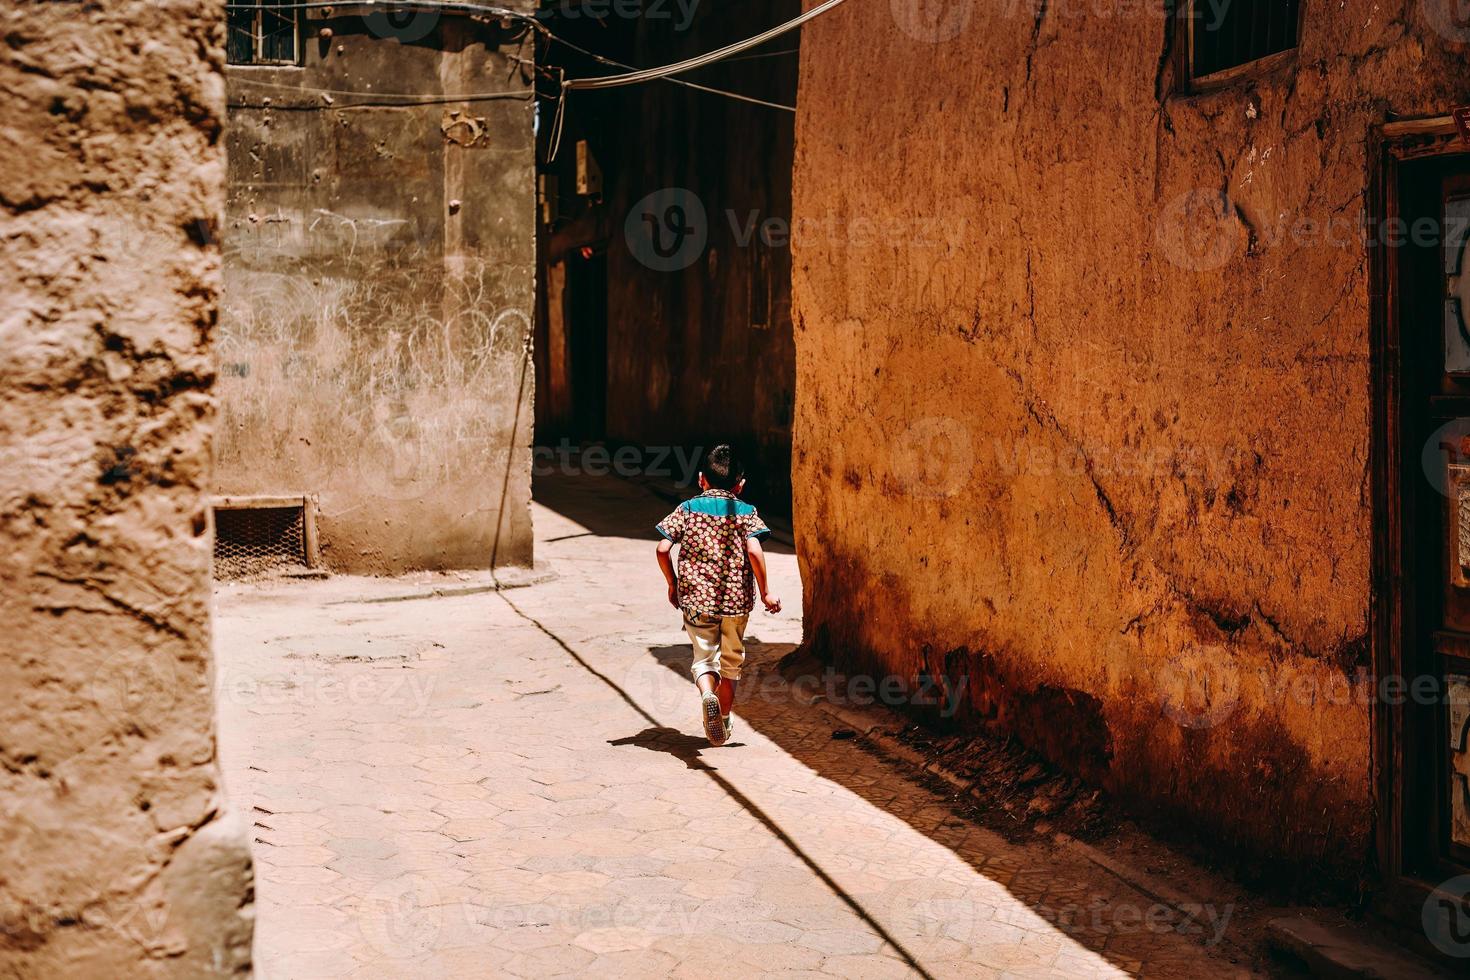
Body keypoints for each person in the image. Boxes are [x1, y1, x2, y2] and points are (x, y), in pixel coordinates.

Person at [654, 445, 781, 746]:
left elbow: (662, 548)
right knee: (732, 662)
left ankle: (707, 693)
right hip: (736, 603)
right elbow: (754, 549)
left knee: (704, 659)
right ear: (740, 484)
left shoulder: (686, 509)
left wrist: (672, 584)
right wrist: (765, 592)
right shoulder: (747, 513)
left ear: (701, 479)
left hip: (696, 601)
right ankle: (722, 720)